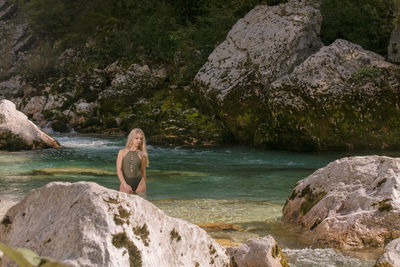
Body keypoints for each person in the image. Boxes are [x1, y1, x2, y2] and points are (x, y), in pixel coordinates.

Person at [116, 128, 149, 194]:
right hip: (125, 184)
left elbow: (143, 172)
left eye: (141, 139)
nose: (139, 140)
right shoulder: (122, 152)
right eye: (137, 138)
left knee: (140, 204)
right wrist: (124, 184)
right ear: (131, 138)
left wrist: (143, 184)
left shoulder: (142, 154)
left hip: (140, 184)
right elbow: (119, 170)